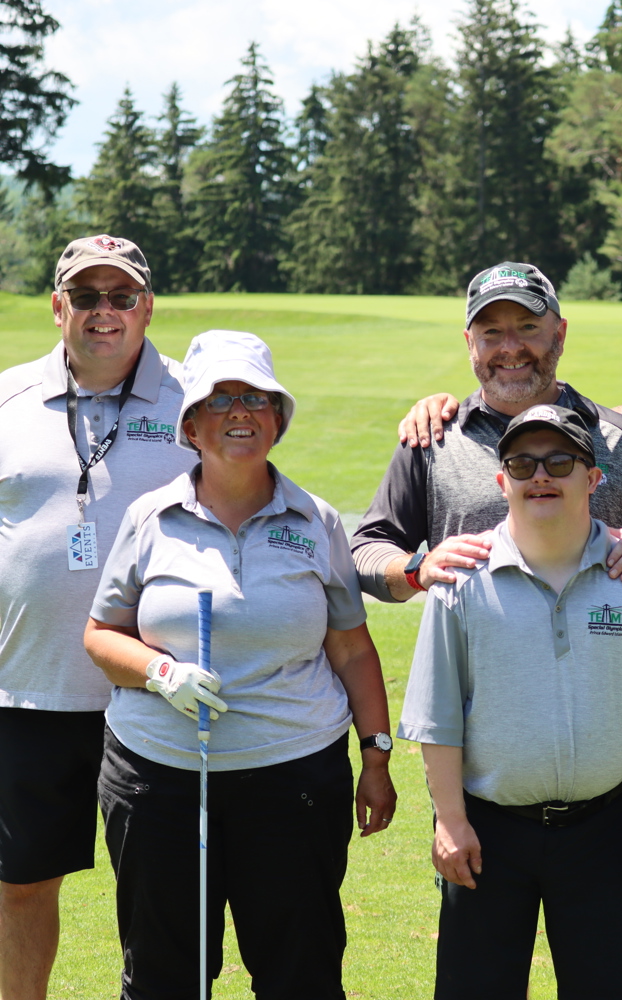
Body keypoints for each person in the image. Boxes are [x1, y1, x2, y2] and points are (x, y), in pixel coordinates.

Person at [83, 330, 396, 1000]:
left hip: (293, 781)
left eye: (256, 398)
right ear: (191, 425)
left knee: (299, 974)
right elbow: (101, 636)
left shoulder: (316, 521)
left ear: (278, 419)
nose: (239, 412)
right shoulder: (149, 518)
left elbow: (351, 646)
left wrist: (376, 757)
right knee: (167, 976)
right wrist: (162, 674)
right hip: (158, 780)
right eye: (219, 399)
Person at [398, 403, 622, 1000]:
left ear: (594, 478)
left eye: (561, 461)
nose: (541, 476)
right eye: (523, 463)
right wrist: (451, 823)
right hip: (488, 833)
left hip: (605, 831)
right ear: (500, 479)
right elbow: (437, 717)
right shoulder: (460, 579)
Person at [0, 235, 194, 1000]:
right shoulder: (8, 398)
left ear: (146, 308)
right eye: (86, 296)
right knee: (19, 889)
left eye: (121, 297)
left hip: (151, 695)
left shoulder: (198, 402)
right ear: (57, 308)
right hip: (27, 694)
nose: (103, 312)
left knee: (155, 900)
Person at [351, 261, 622, 604]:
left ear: (560, 334)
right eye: (490, 332)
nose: (510, 347)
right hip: (474, 661)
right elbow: (365, 552)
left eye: (528, 327)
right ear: (469, 342)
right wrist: (418, 569)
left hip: (600, 662)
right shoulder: (432, 440)